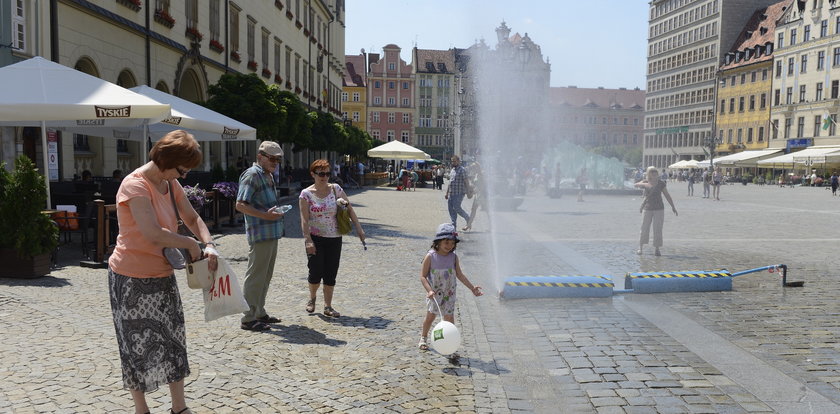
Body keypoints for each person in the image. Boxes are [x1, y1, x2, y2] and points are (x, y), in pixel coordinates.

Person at [107, 129, 219, 414]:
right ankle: (141, 409)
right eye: (181, 169)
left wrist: (209, 244)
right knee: (135, 346)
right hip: (130, 277)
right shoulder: (134, 185)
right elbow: (152, 233)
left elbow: (192, 217)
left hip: (162, 274)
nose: (183, 176)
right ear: (164, 160)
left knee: (173, 341)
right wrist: (188, 243)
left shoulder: (169, 184)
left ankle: (179, 408)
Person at [299, 159, 365, 318]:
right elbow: (304, 219)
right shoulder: (306, 194)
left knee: (330, 272)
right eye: (321, 174)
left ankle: (328, 306)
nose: (325, 177)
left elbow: (349, 208)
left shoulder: (336, 189)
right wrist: (307, 240)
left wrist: (359, 228)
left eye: (328, 173)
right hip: (315, 238)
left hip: (334, 237)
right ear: (313, 174)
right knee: (315, 271)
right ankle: (312, 299)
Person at [236, 141, 287, 332]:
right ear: (260, 156)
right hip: (260, 233)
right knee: (256, 276)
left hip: (271, 232)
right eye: (272, 158)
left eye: (278, 159)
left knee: (265, 276)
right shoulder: (252, 175)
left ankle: (259, 312)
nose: (275, 162)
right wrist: (266, 215)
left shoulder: (267, 174)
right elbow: (240, 205)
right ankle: (248, 318)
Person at [418, 223, 483, 362]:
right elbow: (423, 276)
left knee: (449, 321)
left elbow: (460, 275)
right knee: (430, 317)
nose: (449, 245)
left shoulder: (453, 257)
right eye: (446, 242)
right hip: (434, 295)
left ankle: (450, 347)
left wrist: (472, 288)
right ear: (438, 242)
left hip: (449, 295)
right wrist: (429, 290)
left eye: (452, 242)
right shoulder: (430, 256)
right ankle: (423, 338)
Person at [634, 166, 678, 256]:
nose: (654, 174)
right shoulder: (646, 182)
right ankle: (640, 247)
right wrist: (644, 184)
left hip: (659, 209)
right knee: (644, 228)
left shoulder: (661, 183)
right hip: (647, 208)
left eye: (656, 172)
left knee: (658, 229)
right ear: (649, 174)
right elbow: (636, 185)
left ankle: (657, 249)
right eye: (652, 172)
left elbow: (667, 195)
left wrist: (673, 207)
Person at [445, 155, 472, 228]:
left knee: (457, 208)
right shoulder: (452, 170)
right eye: (452, 161)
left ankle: (468, 219)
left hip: (459, 193)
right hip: (451, 193)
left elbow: (466, 181)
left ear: (458, 161)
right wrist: (447, 193)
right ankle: (453, 224)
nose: (453, 162)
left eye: (454, 161)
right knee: (451, 209)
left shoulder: (462, 170)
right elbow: (450, 182)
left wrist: (468, 192)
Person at [463, 162, 484, 231]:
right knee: (473, 209)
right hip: (478, 195)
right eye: (472, 167)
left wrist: (474, 190)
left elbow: (482, 185)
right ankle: (468, 225)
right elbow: (476, 185)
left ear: (477, 167)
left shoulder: (482, 174)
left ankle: (468, 225)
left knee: (487, 211)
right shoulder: (476, 175)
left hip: (483, 195)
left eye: (474, 167)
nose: (473, 169)